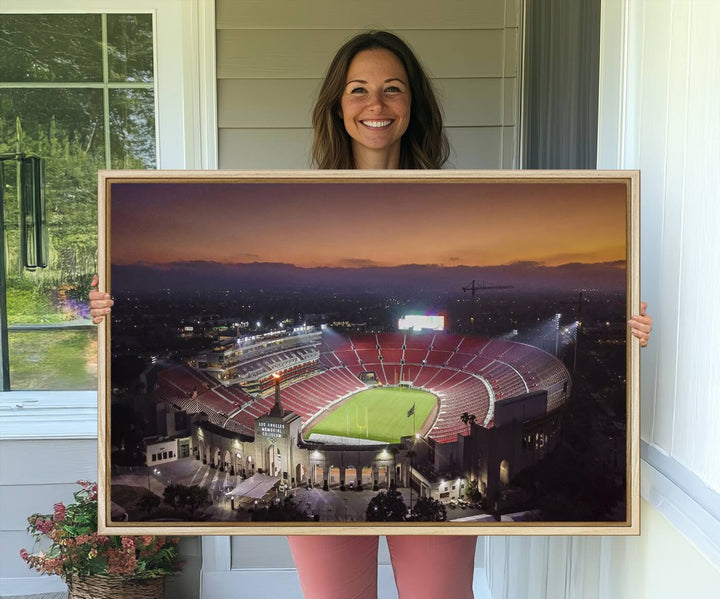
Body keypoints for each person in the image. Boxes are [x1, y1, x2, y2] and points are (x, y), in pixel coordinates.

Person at [90, 30, 653, 599]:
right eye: (358, 89)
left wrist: (629, 329)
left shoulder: (457, 200)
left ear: (413, 105)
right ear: (338, 104)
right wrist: (106, 312)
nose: (376, 105)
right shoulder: (301, 205)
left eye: (393, 89)